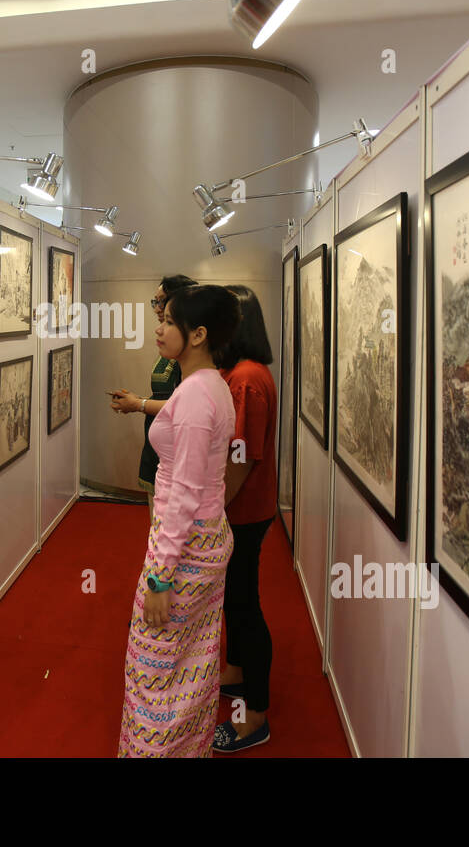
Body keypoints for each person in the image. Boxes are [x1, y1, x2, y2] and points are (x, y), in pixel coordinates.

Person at [118, 284, 241, 758]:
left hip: (185, 545)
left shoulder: (194, 396)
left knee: (154, 665)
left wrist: (160, 575)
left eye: (169, 320)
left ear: (198, 334)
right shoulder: (211, 385)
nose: (159, 328)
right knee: (193, 661)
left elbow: (184, 494)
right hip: (207, 536)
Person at [211, 285, 280, 753]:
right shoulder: (241, 373)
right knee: (236, 599)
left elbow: (241, 458)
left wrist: (215, 509)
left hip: (244, 509)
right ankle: (235, 672)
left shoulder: (247, 380)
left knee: (244, 605)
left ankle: (255, 717)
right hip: (247, 506)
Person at [109, 275, 196, 517]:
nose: (157, 311)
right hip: (160, 443)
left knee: (171, 530)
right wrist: (138, 400)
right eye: (155, 303)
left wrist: (139, 404)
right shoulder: (172, 345)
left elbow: (185, 406)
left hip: (178, 452)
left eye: (162, 303)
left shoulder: (193, 353)